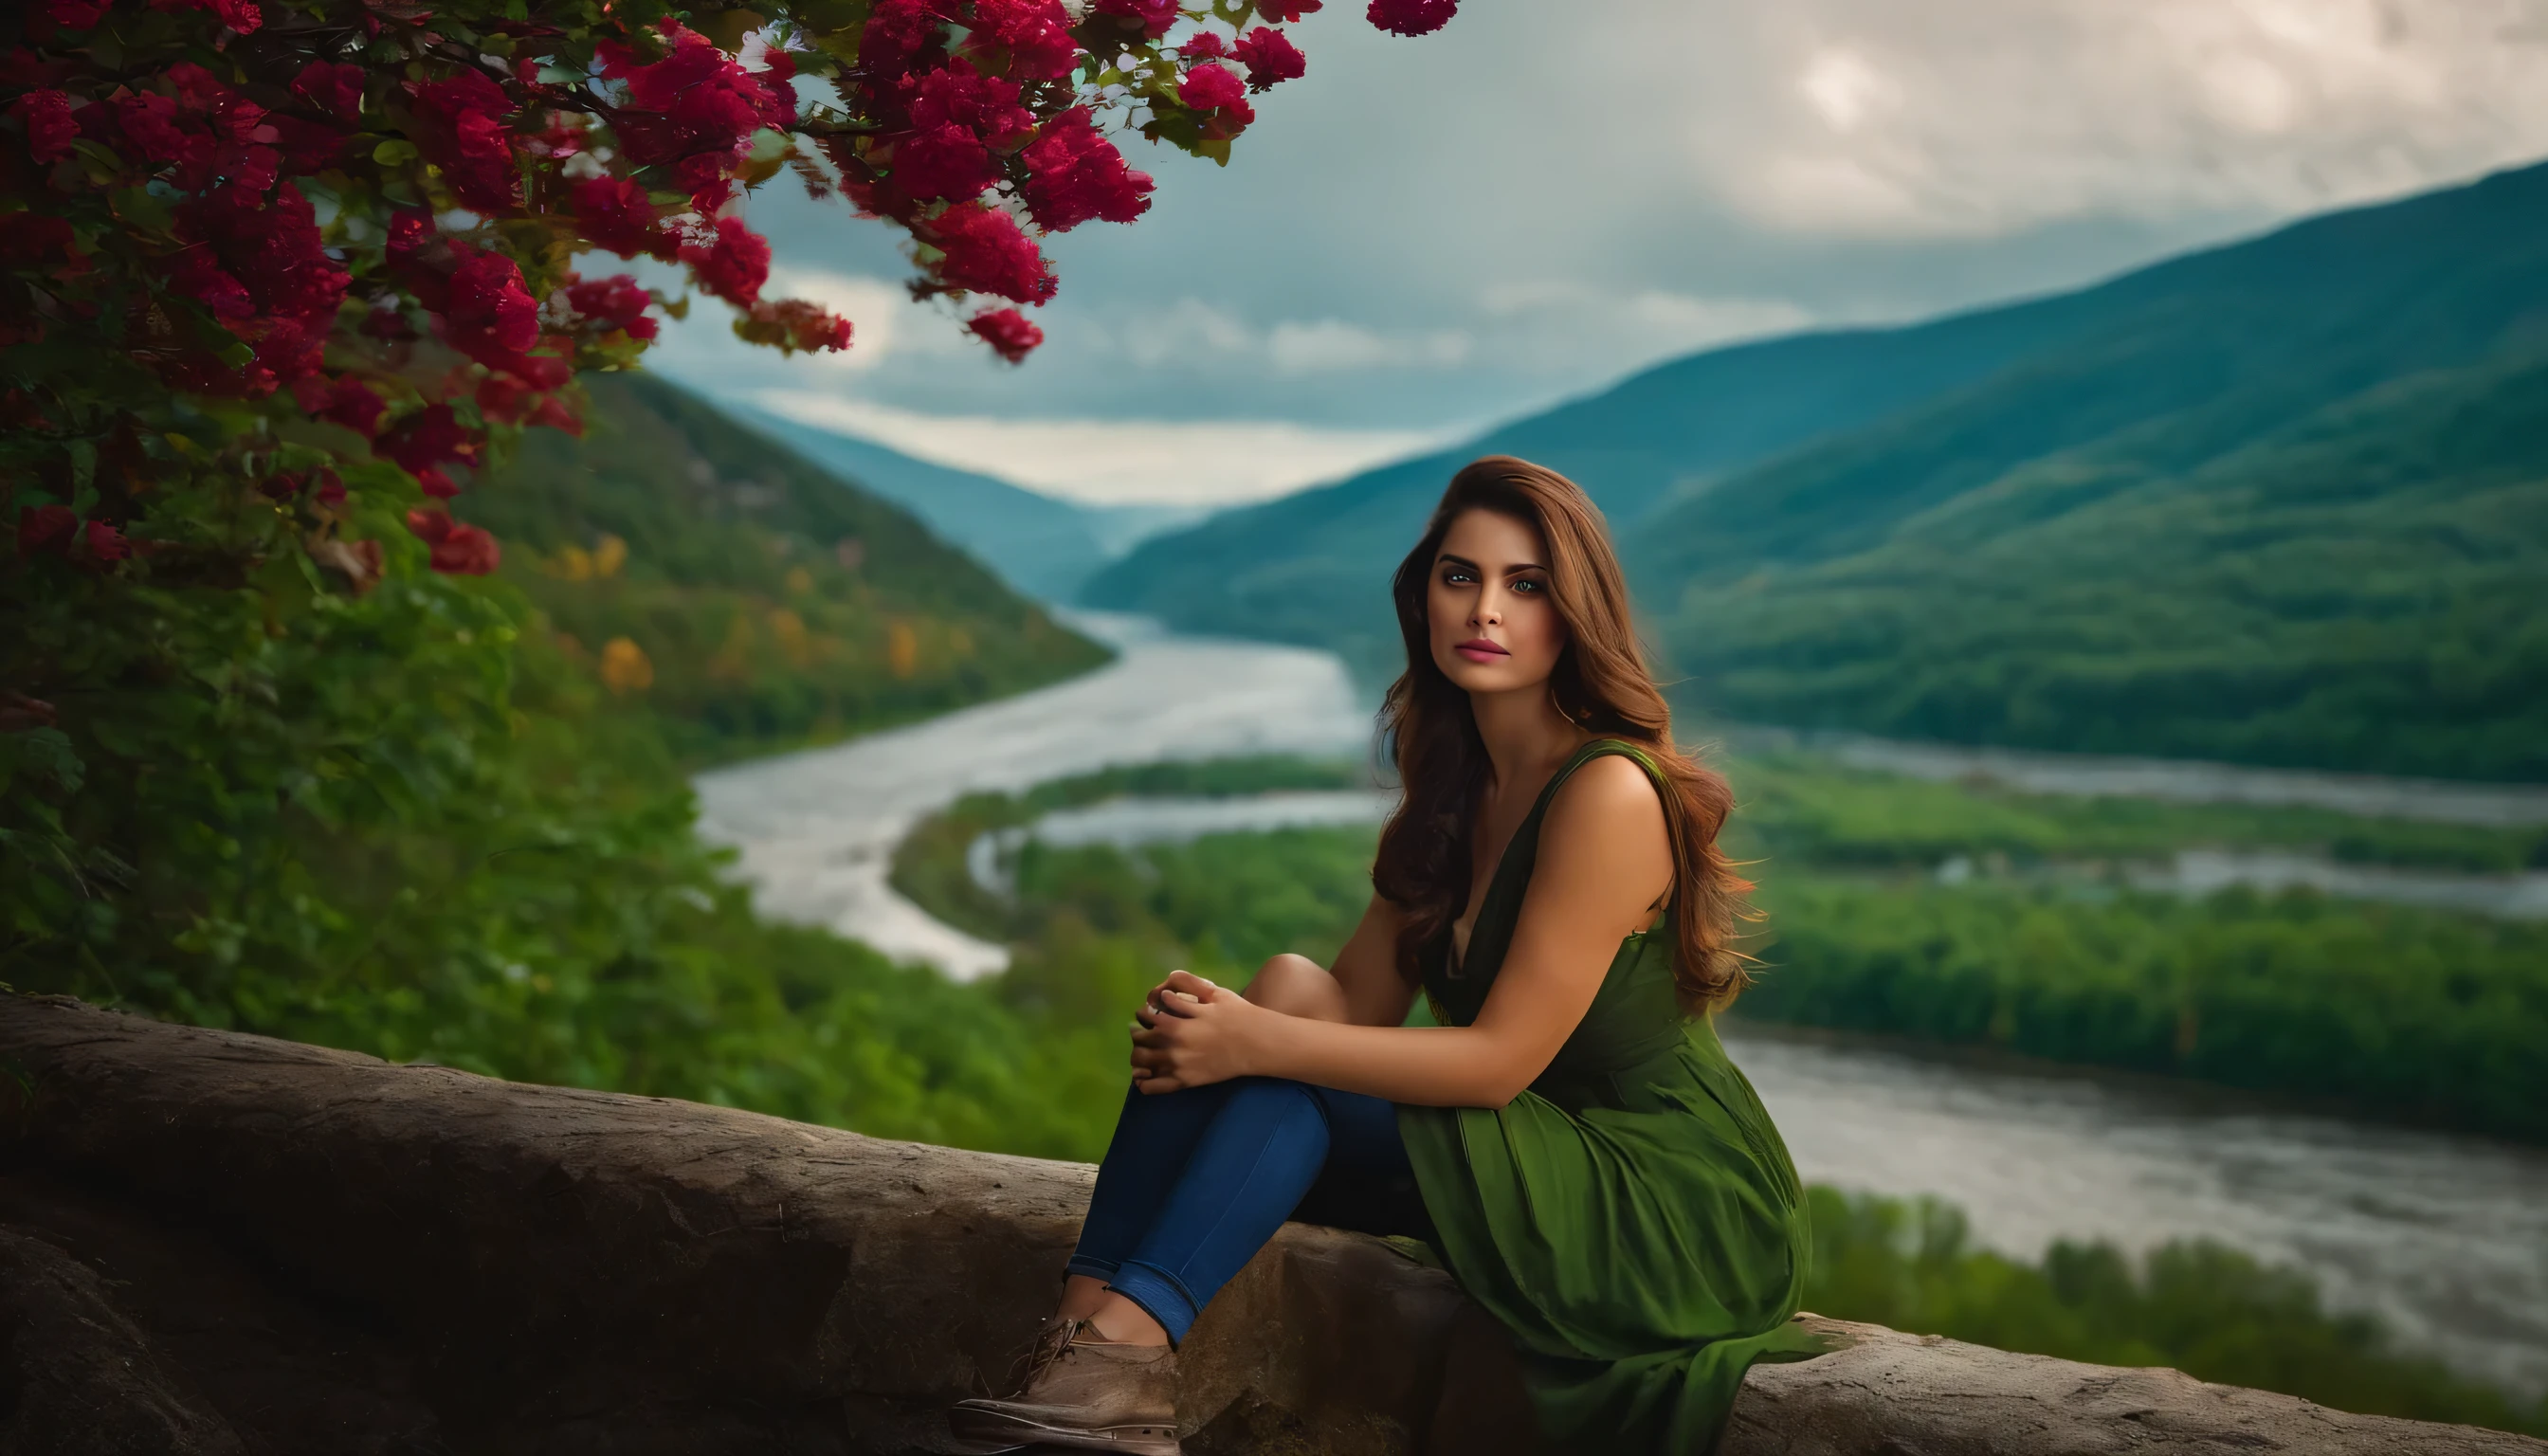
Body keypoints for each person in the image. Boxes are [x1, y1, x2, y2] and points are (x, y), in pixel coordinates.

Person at [949, 456, 1826, 1455]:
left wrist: (1259, 1037)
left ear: (1572, 610)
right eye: (1461, 577)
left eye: (1524, 585)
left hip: (1659, 1199)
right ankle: (1077, 1358)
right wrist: (1248, 1011)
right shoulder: (1453, 784)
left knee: (1271, 1063)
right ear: (1424, 595)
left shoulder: (1606, 793)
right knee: (1214, 1030)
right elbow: (1352, 1010)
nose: (1484, 610)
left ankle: (1114, 1359)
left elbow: (1495, 1064)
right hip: (1517, 1156)